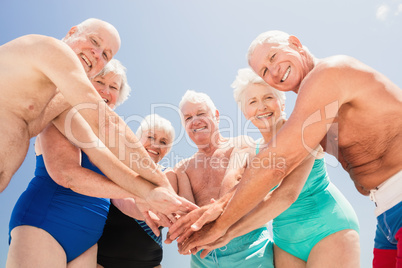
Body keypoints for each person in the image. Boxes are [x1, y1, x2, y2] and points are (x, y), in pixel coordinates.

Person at [176, 30, 402, 267]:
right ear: (245, 111)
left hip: (335, 222)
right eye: (264, 70)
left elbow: (282, 185)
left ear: (296, 43)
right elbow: (243, 187)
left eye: (273, 57)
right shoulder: (311, 118)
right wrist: (217, 215)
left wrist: (223, 229)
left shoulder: (328, 74)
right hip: (382, 212)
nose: (273, 71)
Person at [0, 18, 195, 217]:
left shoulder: (59, 102)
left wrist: (149, 193)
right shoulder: (52, 49)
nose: (96, 54)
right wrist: (163, 186)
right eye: (94, 41)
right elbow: (106, 125)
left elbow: (100, 153)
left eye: (105, 55)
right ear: (72, 32)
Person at [7, 59, 139, 267]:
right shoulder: (59, 114)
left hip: (88, 240)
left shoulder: (114, 140)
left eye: (113, 87)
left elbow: (120, 197)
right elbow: (67, 174)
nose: (105, 91)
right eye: (99, 81)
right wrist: (141, 192)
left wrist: (162, 211)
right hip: (46, 225)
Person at [168, 90, 274, 268]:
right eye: (188, 118)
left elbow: (235, 183)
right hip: (202, 258)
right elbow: (187, 216)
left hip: (249, 249)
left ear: (216, 116)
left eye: (201, 113)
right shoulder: (183, 169)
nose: (195, 121)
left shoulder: (241, 143)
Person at [97, 114, 182, 268]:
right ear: (136, 139)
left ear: (167, 150)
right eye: (150, 137)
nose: (156, 145)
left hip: (150, 263)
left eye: (163, 142)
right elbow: (135, 209)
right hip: (102, 261)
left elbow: (155, 214)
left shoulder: (168, 175)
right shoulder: (116, 167)